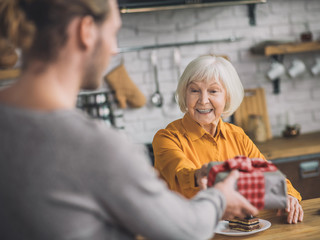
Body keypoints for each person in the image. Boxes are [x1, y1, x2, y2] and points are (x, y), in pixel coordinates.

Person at [0, 0, 259, 239]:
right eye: (114, 33)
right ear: (86, 30)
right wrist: (220, 197)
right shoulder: (97, 147)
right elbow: (187, 229)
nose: (114, 50)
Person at [153, 55, 304, 224]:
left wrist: (289, 195)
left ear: (227, 97)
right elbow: (180, 177)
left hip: (238, 229)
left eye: (213, 91)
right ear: (184, 94)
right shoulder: (167, 138)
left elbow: (269, 174)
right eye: (194, 90)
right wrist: (200, 175)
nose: (203, 100)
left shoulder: (237, 136)